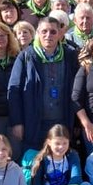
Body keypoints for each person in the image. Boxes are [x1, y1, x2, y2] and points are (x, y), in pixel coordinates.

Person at [9, 17, 80, 150]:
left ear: (59, 34)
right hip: (34, 122)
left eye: (53, 32)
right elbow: (14, 91)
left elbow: (77, 90)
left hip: (62, 120)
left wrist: (76, 122)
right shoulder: (26, 56)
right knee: (35, 164)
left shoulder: (70, 55)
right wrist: (17, 122)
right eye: (44, 31)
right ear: (38, 33)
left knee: (59, 162)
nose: (48, 35)